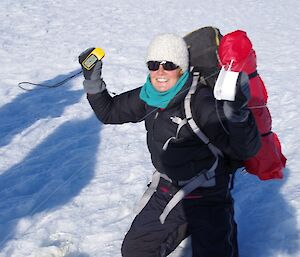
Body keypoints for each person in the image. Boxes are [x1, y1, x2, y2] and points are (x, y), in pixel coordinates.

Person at [79, 33, 261, 257]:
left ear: (182, 68)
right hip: (167, 189)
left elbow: (246, 149)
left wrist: (239, 116)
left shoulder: (200, 102)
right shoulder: (149, 95)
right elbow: (109, 112)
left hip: (207, 192)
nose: (160, 72)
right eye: (154, 65)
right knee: (136, 251)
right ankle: (184, 225)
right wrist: (92, 80)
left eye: (169, 65)